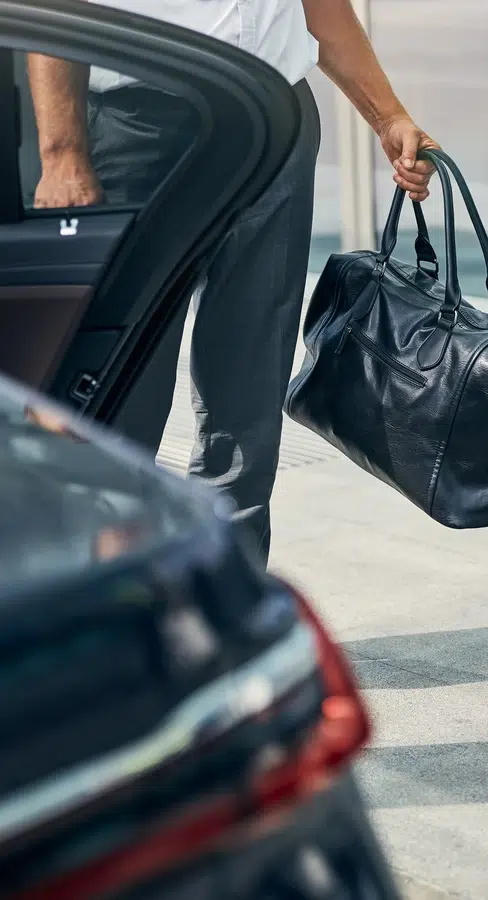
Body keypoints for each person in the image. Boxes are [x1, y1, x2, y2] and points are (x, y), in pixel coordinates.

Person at [27, 0, 436, 563]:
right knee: (119, 394)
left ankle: (225, 602)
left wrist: (389, 116)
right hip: (141, 124)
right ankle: (112, 610)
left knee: (249, 392)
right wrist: (62, 151)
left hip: (276, 124)